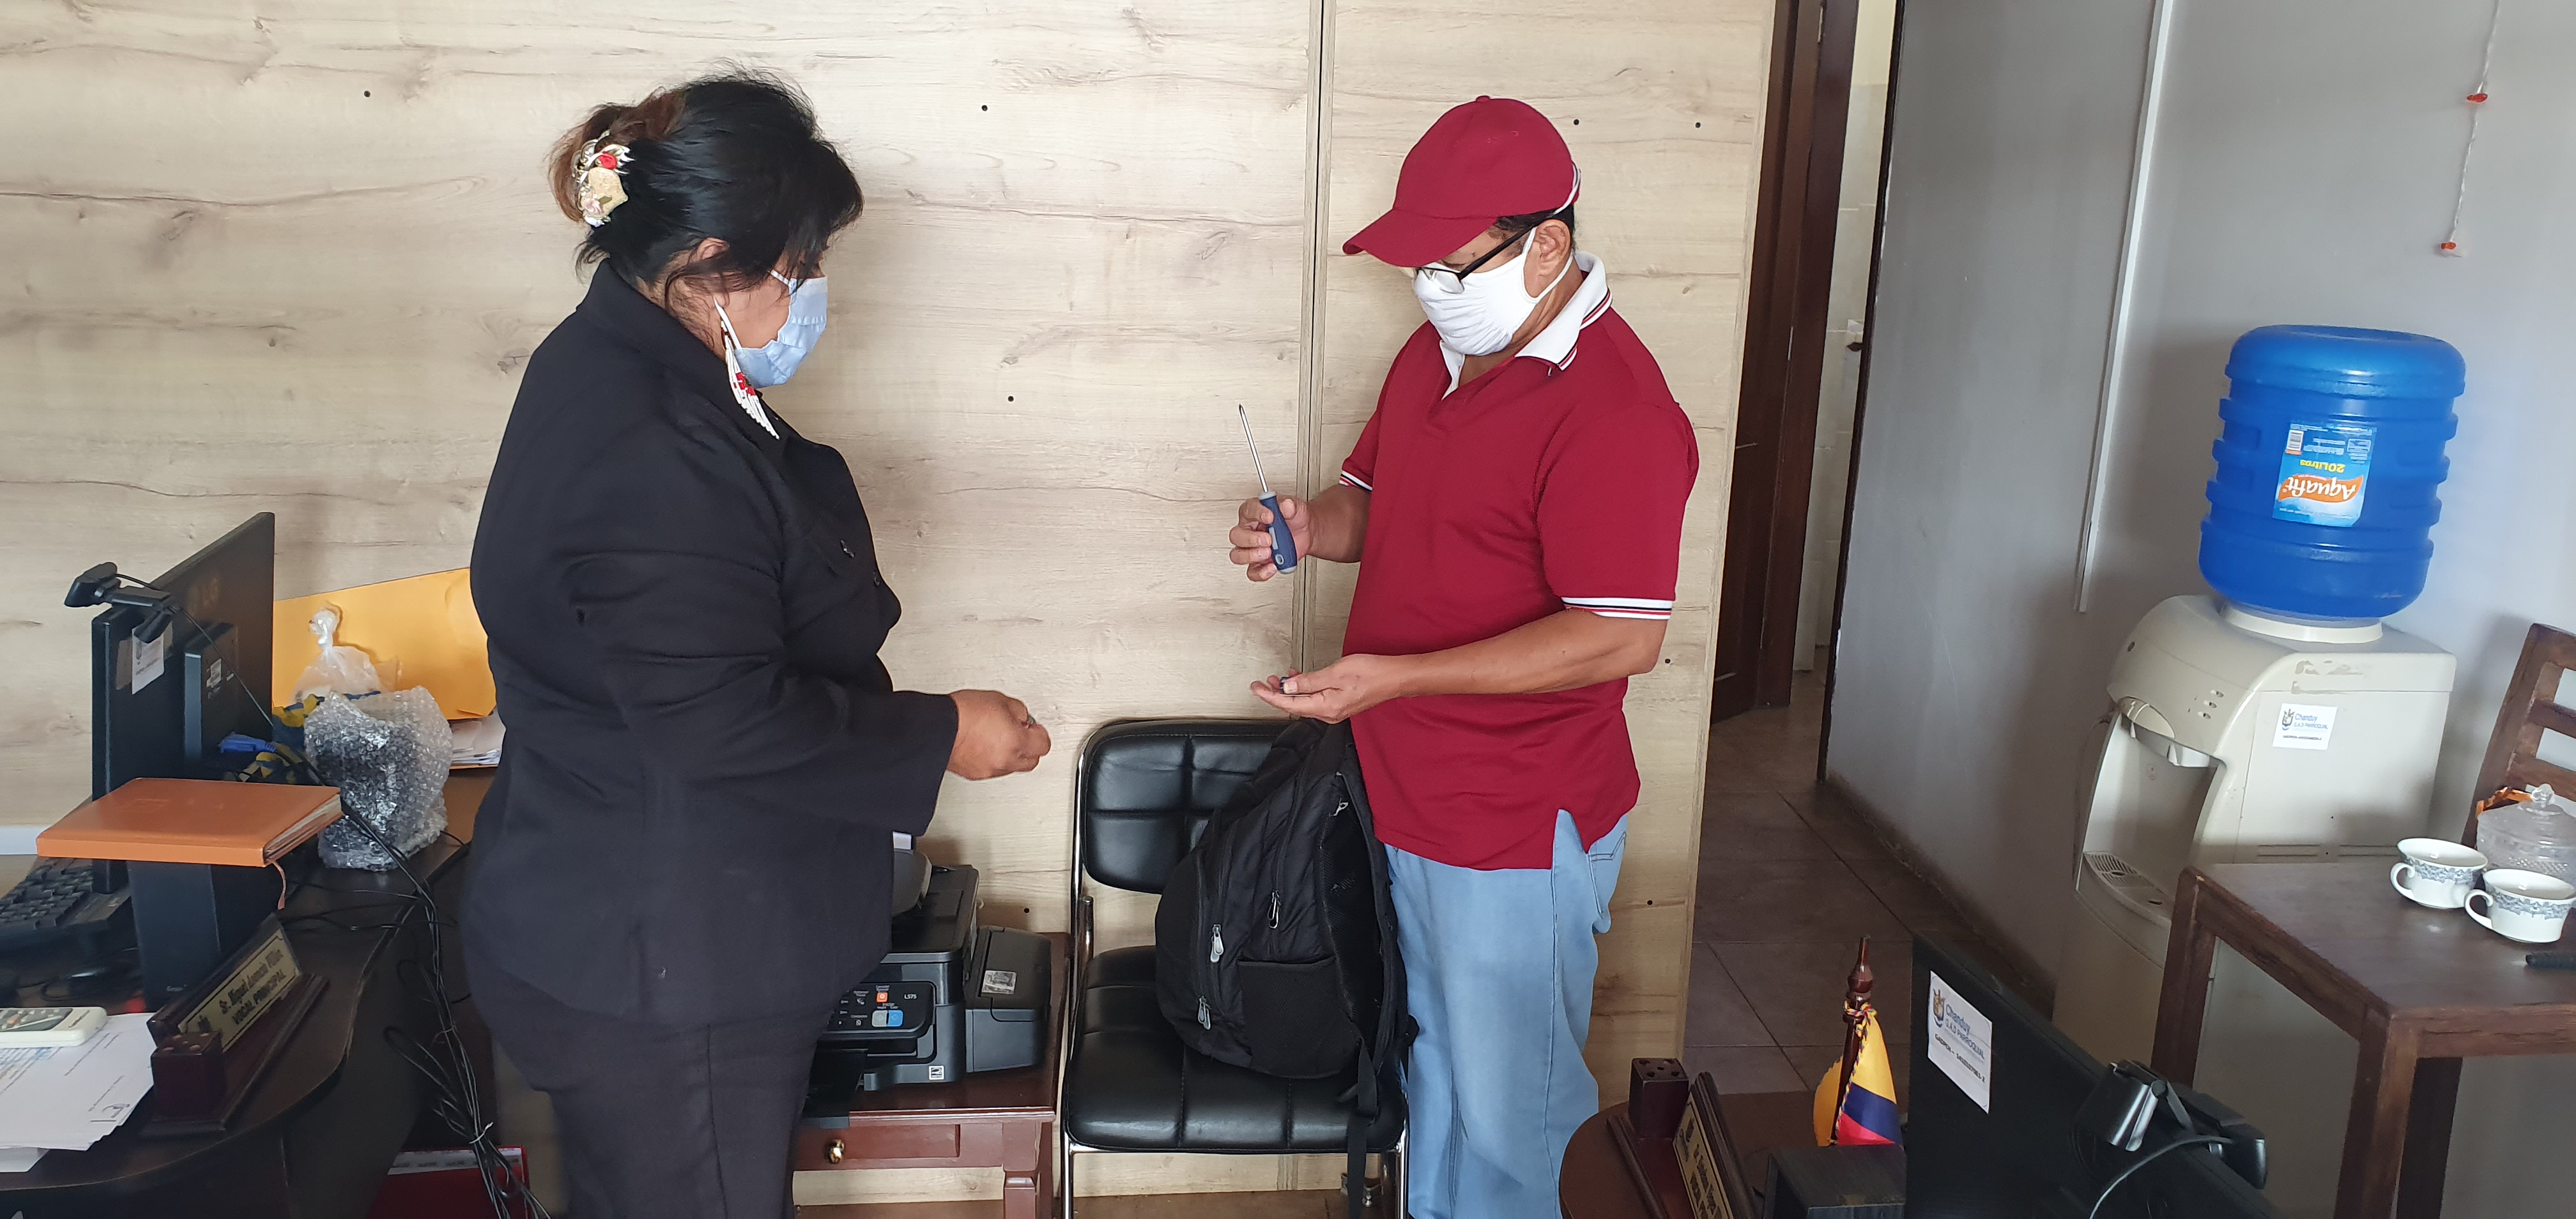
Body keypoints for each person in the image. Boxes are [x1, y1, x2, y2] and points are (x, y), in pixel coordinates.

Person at [464, 72, 1051, 1219]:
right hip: (667, 958)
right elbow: (718, 718)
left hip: (624, 915)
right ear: (710, 261)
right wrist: (944, 735)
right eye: (803, 264)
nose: (814, 288)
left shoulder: (616, 359)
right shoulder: (651, 442)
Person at [1226, 96, 1698, 1219]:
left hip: (1514, 817)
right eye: (1418, 267)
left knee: (1516, 1114)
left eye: (1450, 264)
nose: (1430, 287)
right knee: (1434, 1070)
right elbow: (1373, 504)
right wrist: (1307, 528)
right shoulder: (1438, 353)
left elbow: (1621, 633)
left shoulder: (1615, 409)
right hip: (1408, 788)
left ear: (1548, 243)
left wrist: (1397, 676)